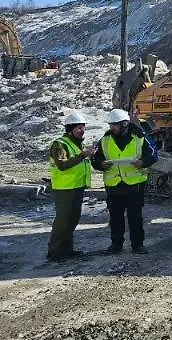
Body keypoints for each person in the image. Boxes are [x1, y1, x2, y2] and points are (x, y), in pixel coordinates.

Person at [90, 109, 158, 254]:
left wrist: (142, 162)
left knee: (135, 217)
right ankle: (116, 245)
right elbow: (95, 158)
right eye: (110, 125)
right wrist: (101, 164)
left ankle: (137, 245)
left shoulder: (140, 137)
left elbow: (153, 153)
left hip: (134, 184)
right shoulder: (105, 139)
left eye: (114, 125)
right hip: (113, 185)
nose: (111, 127)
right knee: (115, 218)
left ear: (125, 124)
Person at [46, 111, 97, 262]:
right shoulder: (60, 144)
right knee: (62, 221)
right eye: (78, 128)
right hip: (64, 189)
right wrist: (83, 155)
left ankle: (67, 250)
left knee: (72, 219)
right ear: (70, 129)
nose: (82, 131)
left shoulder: (77, 144)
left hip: (76, 187)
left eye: (83, 128)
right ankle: (55, 252)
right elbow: (62, 165)